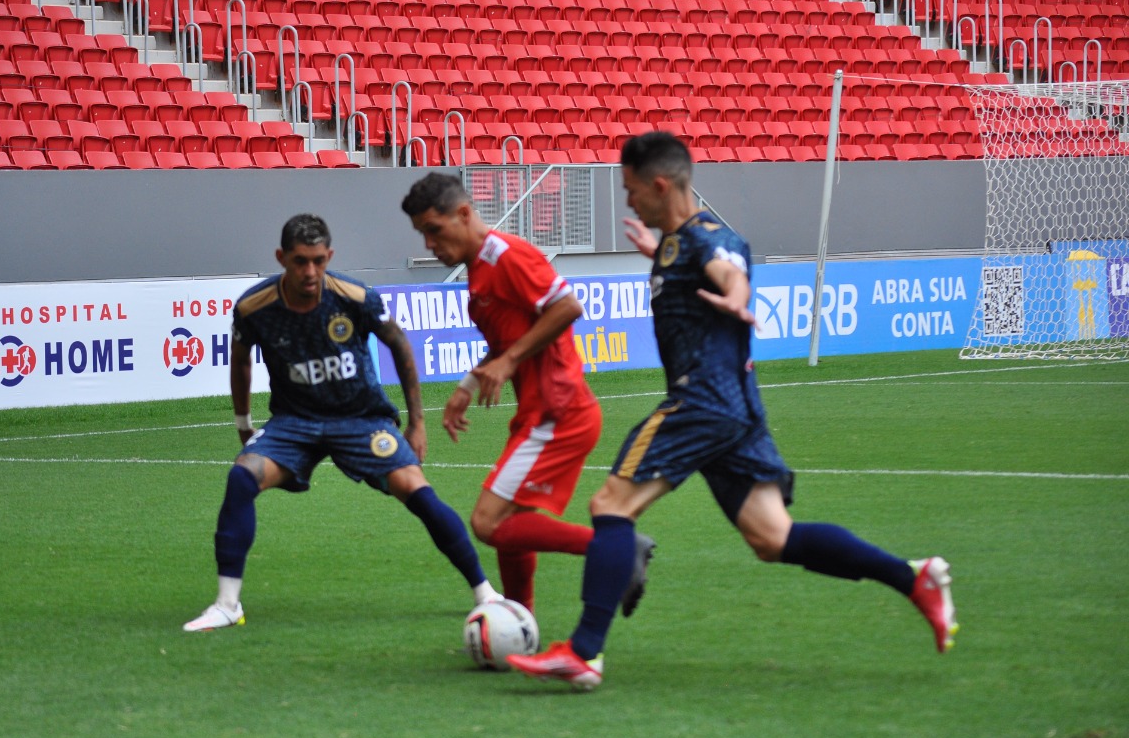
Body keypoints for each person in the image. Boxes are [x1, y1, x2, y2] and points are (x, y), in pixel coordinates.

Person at [507, 132, 959, 689]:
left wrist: (739, 296)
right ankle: (913, 578)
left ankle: (584, 652)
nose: (628, 203)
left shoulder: (709, 238)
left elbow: (730, 272)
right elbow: (702, 266)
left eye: (630, 190)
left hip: (701, 401)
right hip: (736, 409)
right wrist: (663, 259)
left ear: (660, 185)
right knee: (772, 538)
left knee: (610, 506)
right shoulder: (677, 243)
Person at [184, 213, 501, 632]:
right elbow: (240, 361)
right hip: (294, 423)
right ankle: (227, 604)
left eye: (318, 260)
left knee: (416, 490)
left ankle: (485, 594)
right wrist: (244, 423)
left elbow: (399, 344)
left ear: (329, 255)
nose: (310, 271)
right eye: (300, 261)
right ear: (282, 258)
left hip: (361, 420)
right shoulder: (254, 307)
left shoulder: (354, 296)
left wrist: (417, 422)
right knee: (242, 478)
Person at [401, 173, 654, 615]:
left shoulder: (506, 257)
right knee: (508, 523)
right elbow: (506, 339)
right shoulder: (481, 271)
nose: (429, 244)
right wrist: (469, 384)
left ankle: (615, 547)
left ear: (463, 214)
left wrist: (509, 361)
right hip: (543, 413)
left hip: (560, 412)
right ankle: (521, 621)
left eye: (433, 230)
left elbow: (567, 306)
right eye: (422, 234)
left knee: (487, 522)